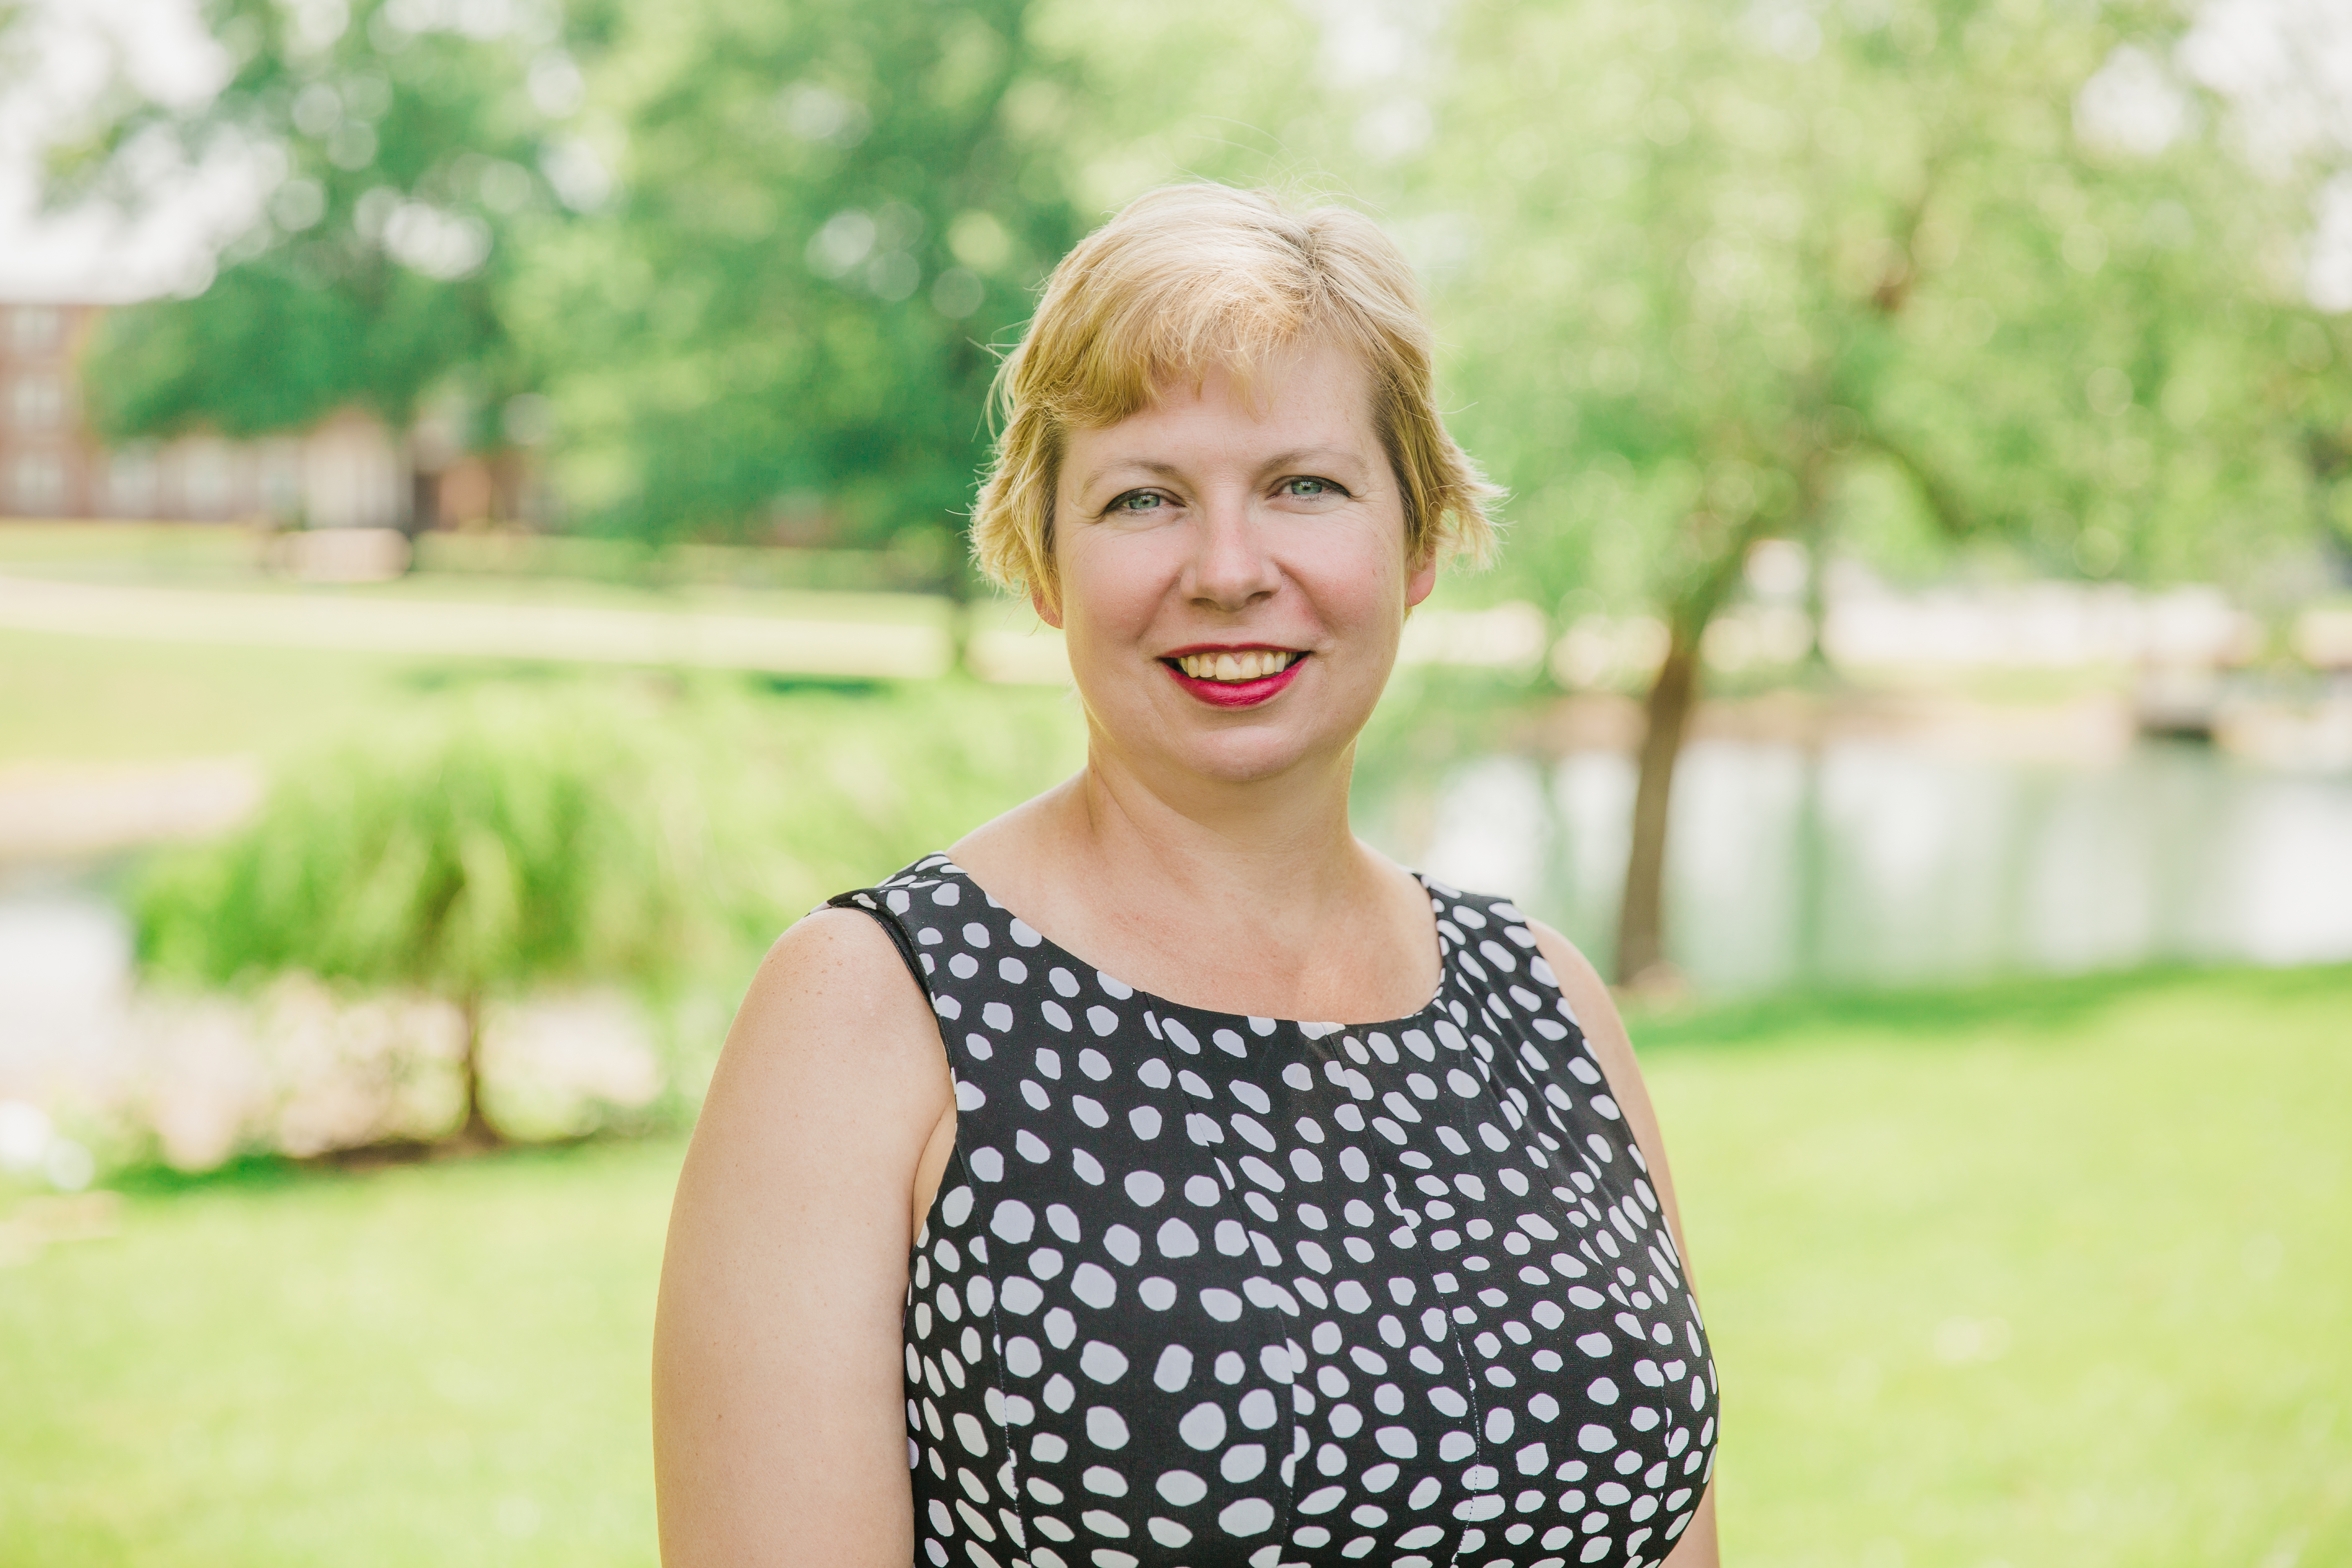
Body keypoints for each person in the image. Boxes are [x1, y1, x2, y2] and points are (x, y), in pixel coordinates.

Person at [653, 183, 1720, 1568]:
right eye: (1145, 497)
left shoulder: (1549, 1004)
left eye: (1305, 486)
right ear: (1043, 558)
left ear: (1418, 546)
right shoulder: (868, 1015)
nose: (1228, 571)